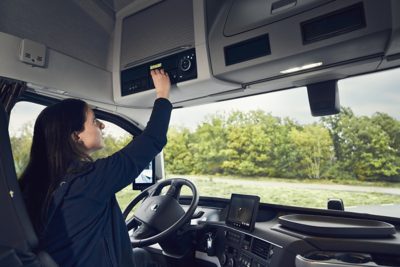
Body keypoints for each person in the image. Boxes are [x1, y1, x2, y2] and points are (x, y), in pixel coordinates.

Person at [19, 69, 172, 267]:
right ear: (76, 136)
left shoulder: (32, 184)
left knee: (141, 255)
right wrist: (162, 95)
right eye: (94, 121)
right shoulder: (88, 180)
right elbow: (153, 139)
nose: (102, 126)